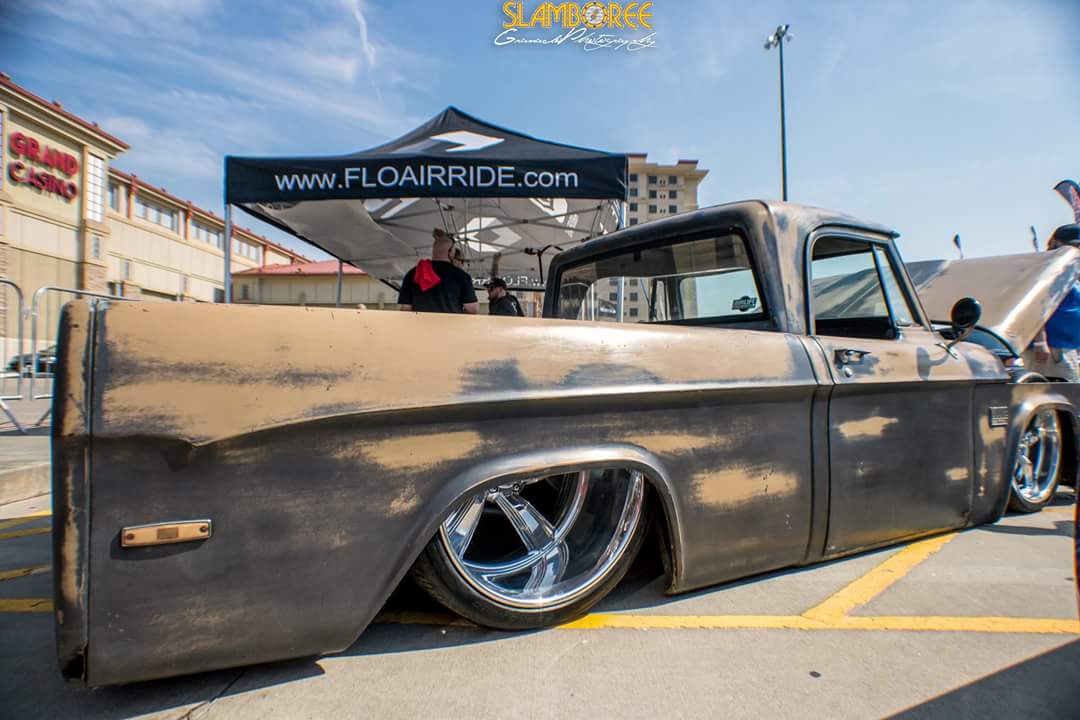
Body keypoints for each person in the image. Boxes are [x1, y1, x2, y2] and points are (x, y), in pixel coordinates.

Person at [1031, 224, 1080, 380]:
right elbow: (1036, 304)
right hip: (1053, 348)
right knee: (1063, 392)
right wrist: (1040, 342)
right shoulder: (1049, 270)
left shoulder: (1069, 271)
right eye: (1075, 245)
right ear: (1056, 243)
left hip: (1066, 347)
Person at [397, 229, 479, 314]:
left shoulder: (412, 273)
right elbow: (472, 309)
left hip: (420, 322)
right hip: (450, 322)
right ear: (450, 252)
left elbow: (405, 308)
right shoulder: (462, 276)